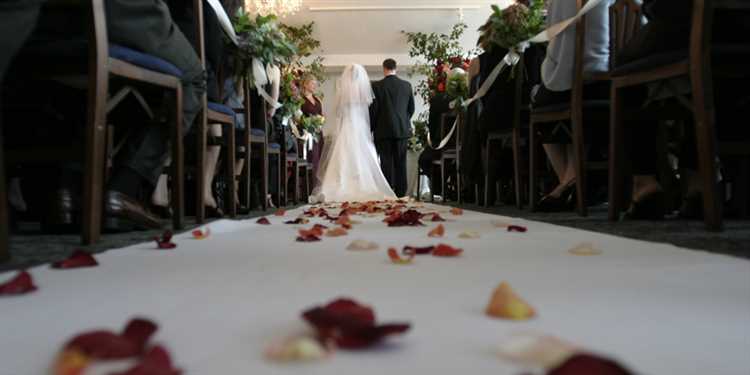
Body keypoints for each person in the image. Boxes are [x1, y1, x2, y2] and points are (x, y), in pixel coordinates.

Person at [1, 0, 206, 231]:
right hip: (121, 13)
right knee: (194, 78)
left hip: (40, 18)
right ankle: (124, 190)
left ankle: (63, 188)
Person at [531, 0, 613, 212]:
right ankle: (571, 181)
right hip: (612, 75)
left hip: (579, 79)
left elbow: (557, 45)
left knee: (539, 101)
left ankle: (569, 181)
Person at [310, 64, 397, 203]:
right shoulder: (363, 90)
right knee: (363, 154)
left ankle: (337, 186)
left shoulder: (343, 90)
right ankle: (363, 184)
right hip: (361, 127)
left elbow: (338, 112)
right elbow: (368, 111)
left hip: (347, 125)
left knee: (343, 154)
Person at [370, 59, 416, 197]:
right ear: (396, 68)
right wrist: (403, 121)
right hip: (402, 130)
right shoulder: (406, 85)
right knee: (401, 162)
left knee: (386, 163)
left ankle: (388, 192)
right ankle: (401, 193)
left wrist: (371, 128)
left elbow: (374, 110)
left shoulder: (377, 86)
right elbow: (411, 109)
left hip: (383, 131)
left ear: (384, 68)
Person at [300, 76, 324, 179]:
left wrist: (321, 122)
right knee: (311, 159)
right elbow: (299, 117)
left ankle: (317, 186)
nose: (314, 86)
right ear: (305, 84)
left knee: (318, 159)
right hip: (307, 133)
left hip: (318, 134)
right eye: (312, 84)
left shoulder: (317, 100)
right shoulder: (301, 99)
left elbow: (321, 115)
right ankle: (309, 187)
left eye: (315, 84)